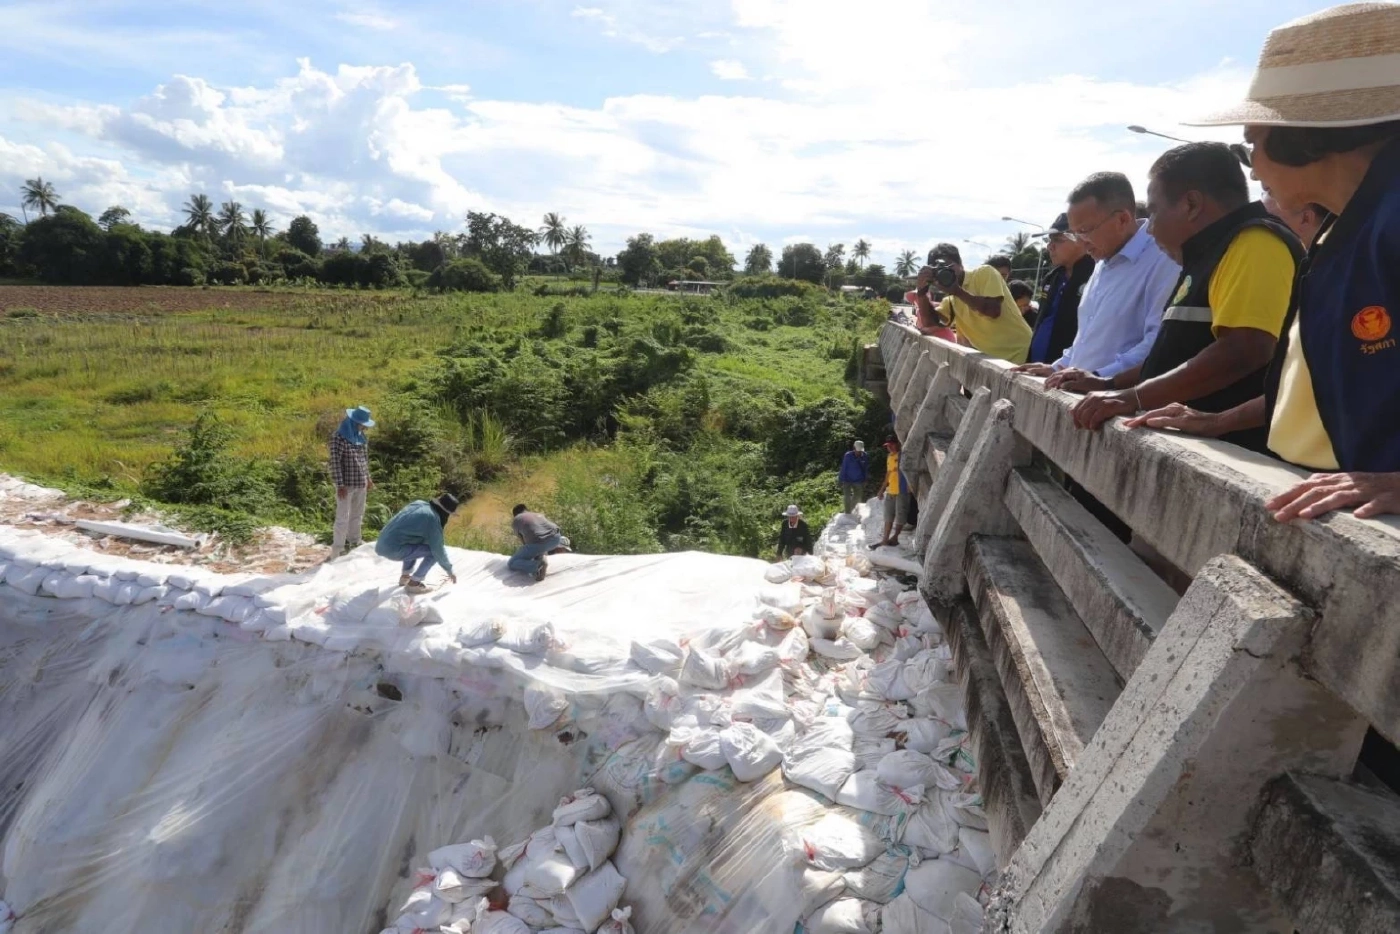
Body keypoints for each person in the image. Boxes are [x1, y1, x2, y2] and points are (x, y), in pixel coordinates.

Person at [1130, 2, 1400, 521]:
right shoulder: (1342, 231)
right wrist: (1218, 420)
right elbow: (1317, 388)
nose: (1253, 169)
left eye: (1253, 142)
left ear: (1305, 133)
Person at [1069, 142, 1303, 451]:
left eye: (1153, 212)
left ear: (1191, 204)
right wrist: (1110, 384)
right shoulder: (1208, 255)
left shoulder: (1254, 242)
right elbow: (1180, 354)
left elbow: (1244, 349)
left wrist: (1133, 397)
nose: (1149, 229)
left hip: (1232, 456)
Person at [1012, 173, 1181, 390]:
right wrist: (1060, 367)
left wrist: (1100, 377)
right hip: (1081, 399)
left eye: (1085, 231)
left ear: (1122, 219)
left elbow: (1158, 344)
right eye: (1075, 234)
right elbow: (1088, 336)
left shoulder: (1163, 258)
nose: (1082, 242)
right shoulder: (1103, 259)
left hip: (1120, 404)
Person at [912, 244, 1033, 364]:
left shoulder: (984, 273)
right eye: (938, 270)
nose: (944, 272)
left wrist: (957, 291)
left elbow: (993, 310)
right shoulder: (951, 301)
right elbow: (929, 323)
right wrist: (922, 291)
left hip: (1023, 351)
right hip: (996, 361)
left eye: (947, 266)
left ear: (961, 265)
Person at [1027, 213, 1096, 365]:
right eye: (1050, 240)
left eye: (1058, 240)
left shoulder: (1097, 276)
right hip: (1038, 366)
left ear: (1081, 239)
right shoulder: (1052, 278)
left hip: (1071, 372)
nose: (1050, 246)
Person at [375, 493, 459, 594]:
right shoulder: (432, 519)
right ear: (445, 513)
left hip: (381, 542)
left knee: (416, 540)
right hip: (393, 549)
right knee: (433, 553)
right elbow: (438, 550)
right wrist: (450, 571)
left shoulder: (418, 503)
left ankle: (405, 577)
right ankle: (414, 584)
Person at [328, 405, 375, 560]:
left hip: (360, 482)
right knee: (342, 517)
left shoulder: (361, 437)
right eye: (363, 425)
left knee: (357, 514)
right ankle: (338, 549)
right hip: (346, 485)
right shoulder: (339, 437)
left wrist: (368, 478)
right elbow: (335, 462)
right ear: (355, 422)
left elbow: (364, 460)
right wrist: (340, 484)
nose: (364, 428)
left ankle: (355, 540)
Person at [508, 504, 567, 581]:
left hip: (540, 542)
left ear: (515, 515)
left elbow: (524, 542)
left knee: (512, 563)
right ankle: (541, 557)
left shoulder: (516, 519)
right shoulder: (537, 514)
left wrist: (529, 557)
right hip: (556, 538)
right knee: (537, 545)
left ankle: (537, 565)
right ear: (526, 510)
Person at [873, 436, 909, 547]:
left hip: (902, 490)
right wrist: (882, 489)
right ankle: (885, 540)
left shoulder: (903, 456)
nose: (890, 447)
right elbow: (888, 474)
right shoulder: (890, 457)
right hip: (891, 490)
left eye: (892, 444)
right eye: (888, 446)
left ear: (897, 444)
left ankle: (895, 537)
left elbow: (910, 472)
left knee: (900, 515)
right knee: (888, 516)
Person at [838, 440, 869, 515]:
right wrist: (840, 480)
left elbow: (866, 469)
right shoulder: (848, 456)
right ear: (854, 448)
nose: (859, 453)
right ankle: (847, 513)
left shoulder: (865, 456)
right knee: (847, 497)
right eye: (857, 451)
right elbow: (844, 468)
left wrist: (865, 479)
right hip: (847, 480)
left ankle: (852, 510)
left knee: (858, 497)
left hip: (858, 480)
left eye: (860, 451)